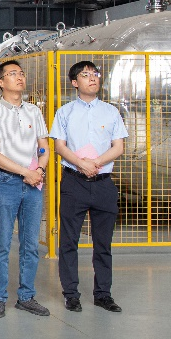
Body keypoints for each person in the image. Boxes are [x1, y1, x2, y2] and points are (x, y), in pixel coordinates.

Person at [51, 60, 128, 314]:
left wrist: (95, 163)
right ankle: (71, 294)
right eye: (85, 75)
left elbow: (118, 146)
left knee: (103, 244)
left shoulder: (111, 112)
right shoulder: (64, 112)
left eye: (95, 74)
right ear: (75, 82)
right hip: (74, 182)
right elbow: (60, 146)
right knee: (69, 241)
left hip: (103, 183)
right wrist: (81, 163)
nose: (93, 78)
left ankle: (103, 294)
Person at [0, 60, 51, 318]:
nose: (19, 77)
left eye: (21, 73)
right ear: (0, 82)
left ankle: (26, 296)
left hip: (34, 183)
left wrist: (39, 169)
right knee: (1, 243)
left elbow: (44, 147)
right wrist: (26, 172)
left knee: (30, 244)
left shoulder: (34, 111)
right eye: (12, 74)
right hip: (6, 183)